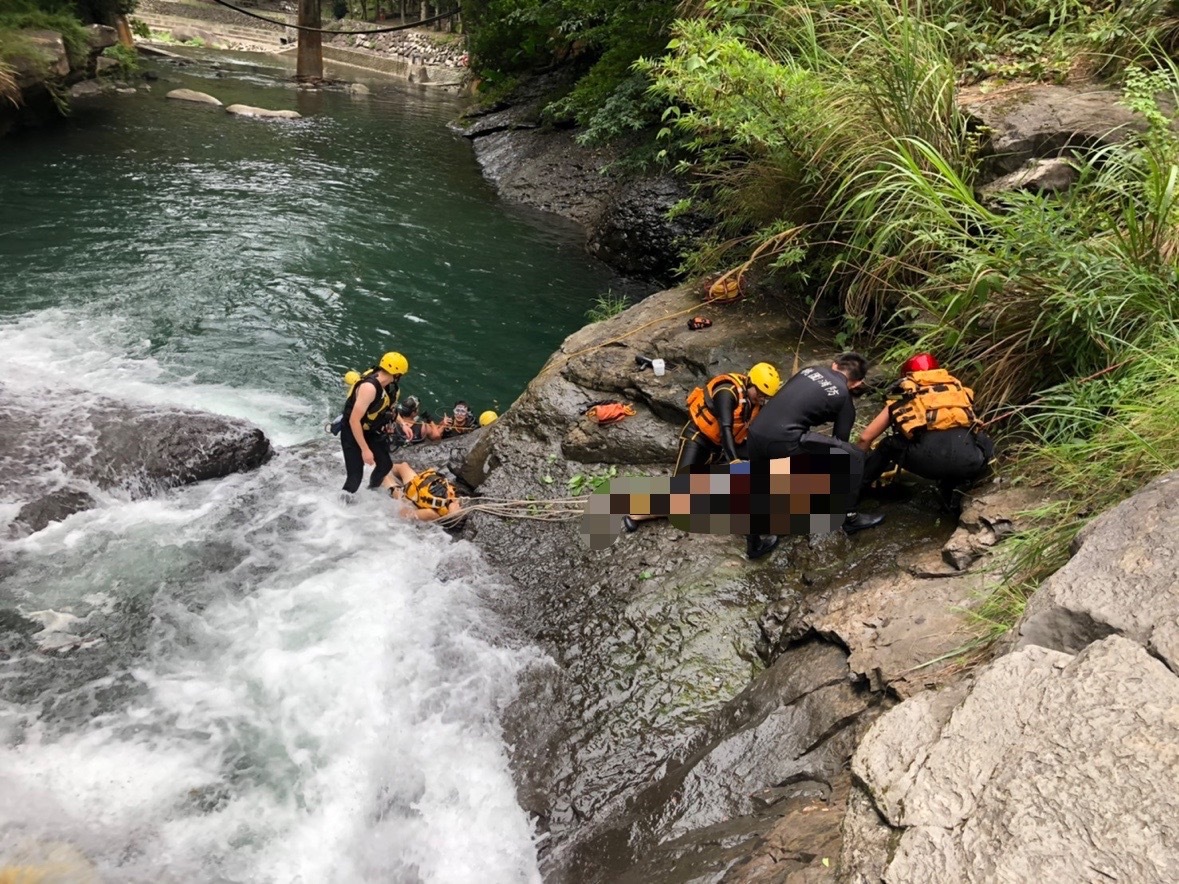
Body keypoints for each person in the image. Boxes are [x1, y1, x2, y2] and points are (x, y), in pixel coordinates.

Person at [744, 353, 885, 559]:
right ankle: (850, 517)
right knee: (853, 456)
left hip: (756, 433)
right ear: (857, 383)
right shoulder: (844, 397)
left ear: (834, 365)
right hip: (785, 439)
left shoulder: (808, 371)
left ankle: (755, 543)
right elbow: (840, 447)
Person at [624, 362, 782, 531]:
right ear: (750, 382)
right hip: (697, 440)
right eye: (759, 392)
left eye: (765, 395)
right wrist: (734, 459)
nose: (761, 398)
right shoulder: (727, 392)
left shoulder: (755, 402)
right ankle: (639, 512)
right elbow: (725, 428)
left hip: (719, 448)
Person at [857, 352, 995, 511]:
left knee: (888, 444)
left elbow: (865, 437)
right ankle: (958, 486)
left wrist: (857, 464)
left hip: (928, 463)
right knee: (979, 438)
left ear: (908, 376)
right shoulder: (957, 390)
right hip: (970, 462)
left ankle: (860, 486)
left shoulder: (902, 395)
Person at [341, 351, 407, 494]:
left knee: (385, 464)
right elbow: (354, 420)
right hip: (352, 430)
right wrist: (365, 450)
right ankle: (342, 507)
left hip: (370, 429)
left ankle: (372, 491)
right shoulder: (369, 388)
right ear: (397, 374)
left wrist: (403, 424)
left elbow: (389, 409)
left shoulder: (390, 387)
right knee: (355, 478)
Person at [381, 461, 462, 523]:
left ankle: (380, 473)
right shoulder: (453, 498)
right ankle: (383, 465)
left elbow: (402, 514)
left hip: (412, 501)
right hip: (420, 490)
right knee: (403, 466)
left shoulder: (431, 513)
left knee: (384, 476)